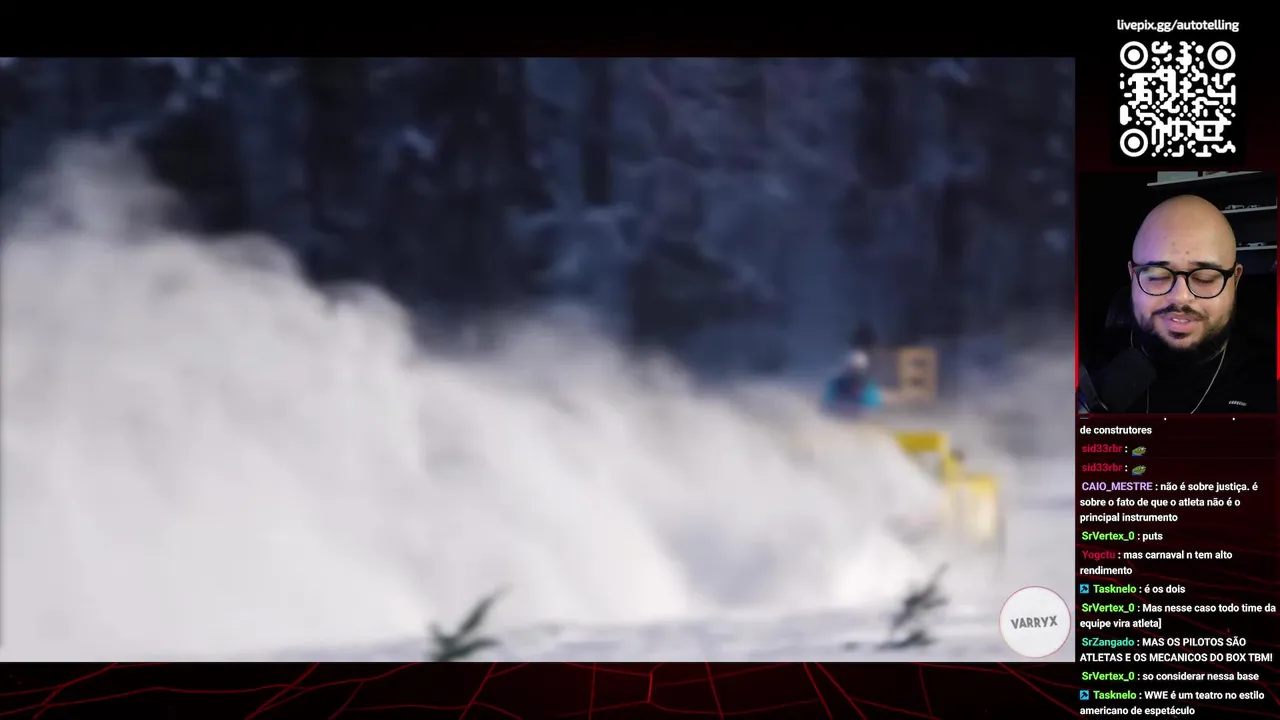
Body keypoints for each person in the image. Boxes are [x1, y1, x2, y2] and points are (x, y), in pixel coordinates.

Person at [1085, 194, 1275, 413]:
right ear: (1132, 276)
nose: (1181, 297)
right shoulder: (1086, 367)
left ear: (1235, 280)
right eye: (1157, 276)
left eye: (1204, 277)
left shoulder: (1267, 379)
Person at [822, 349, 885, 416]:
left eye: (857, 369)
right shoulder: (836, 382)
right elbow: (827, 402)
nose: (854, 372)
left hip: (859, 414)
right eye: (851, 368)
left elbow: (873, 405)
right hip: (840, 413)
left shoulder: (868, 383)